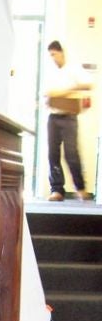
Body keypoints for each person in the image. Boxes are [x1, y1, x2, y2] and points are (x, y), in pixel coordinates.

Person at [44, 40, 93, 201]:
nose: (53, 58)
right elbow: (47, 92)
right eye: (50, 55)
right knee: (53, 154)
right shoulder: (50, 72)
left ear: (61, 52)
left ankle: (80, 188)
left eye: (54, 54)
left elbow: (88, 85)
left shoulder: (73, 69)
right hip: (53, 117)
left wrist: (65, 91)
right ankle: (57, 190)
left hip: (69, 117)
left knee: (71, 153)